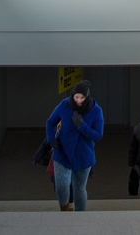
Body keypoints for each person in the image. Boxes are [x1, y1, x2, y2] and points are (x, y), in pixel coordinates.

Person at [45, 80, 103, 211]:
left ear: (88, 97)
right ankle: (64, 208)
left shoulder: (96, 110)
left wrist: (82, 126)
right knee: (61, 185)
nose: (79, 100)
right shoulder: (64, 105)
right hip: (62, 151)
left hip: (83, 154)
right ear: (72, 95)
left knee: (79, 188)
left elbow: (98, 135)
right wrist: (51, 139)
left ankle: (80, 214)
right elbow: (50, 122)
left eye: (82, 98)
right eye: (76, 97)